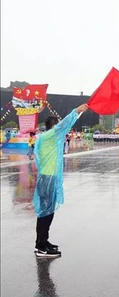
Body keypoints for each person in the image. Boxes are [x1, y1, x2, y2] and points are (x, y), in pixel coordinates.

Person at [33, 103, 89, 258]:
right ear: (54, 126)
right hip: (47, 178)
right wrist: (76, 111)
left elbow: (65, 125)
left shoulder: (47, 137)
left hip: (48, 177)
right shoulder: (49, 135)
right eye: (58, 126)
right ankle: (41, 247)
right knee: (45, 212)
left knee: (47, 211)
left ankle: (43, 242)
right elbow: (65, 124)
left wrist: (78, 114)